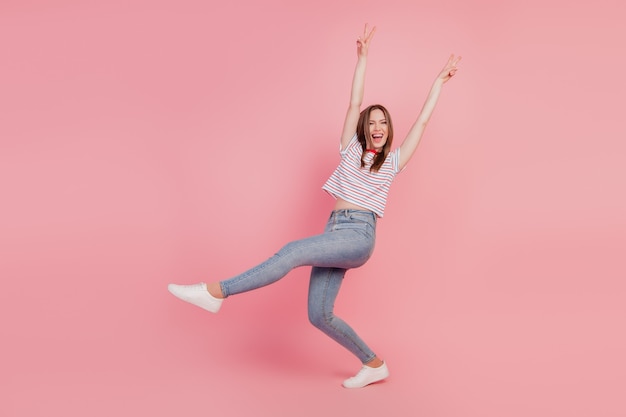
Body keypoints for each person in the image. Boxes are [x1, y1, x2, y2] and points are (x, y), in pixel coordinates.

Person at [168, 24, 460, 388]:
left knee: (291, 251)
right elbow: (354, 103)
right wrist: (363, 59)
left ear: (389, 129)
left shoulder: (393, 162)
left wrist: (437, 82)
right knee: (319, 315)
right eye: (372, 123)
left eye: (383, 122)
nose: (377, 126)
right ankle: (373, 363)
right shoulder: (350, 151)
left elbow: (423, 121)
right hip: (334, 230)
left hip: (358, 235)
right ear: (364, 130)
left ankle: (217, 292)